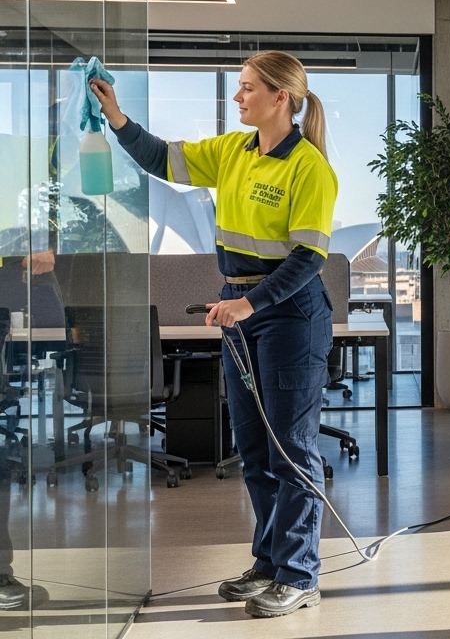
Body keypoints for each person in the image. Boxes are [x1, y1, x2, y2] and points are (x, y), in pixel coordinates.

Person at [90, 51, 337, 618]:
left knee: (291, 449)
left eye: (248, 89)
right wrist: (117, 117)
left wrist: (248, 303)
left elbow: (306, 259)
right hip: (243, 307)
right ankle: (271, 563)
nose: (238, 97)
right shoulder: (232, 151)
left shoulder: (309, 167)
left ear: (281, 98)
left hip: (290, 315)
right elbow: (161, 158)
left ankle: (300, 574)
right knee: (252, 448)